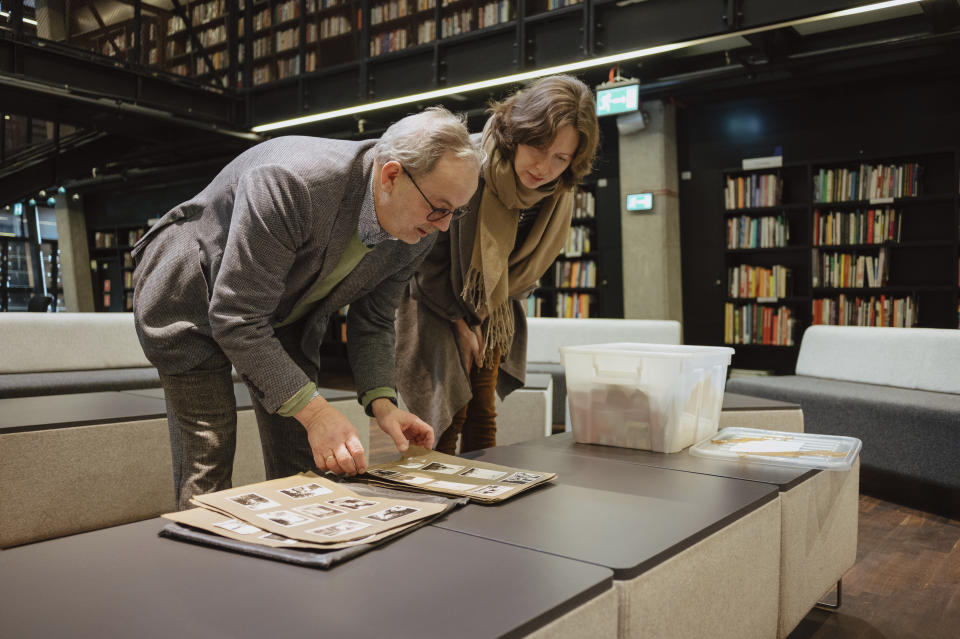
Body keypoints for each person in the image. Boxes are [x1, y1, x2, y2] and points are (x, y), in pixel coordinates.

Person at [133, 107, 482, 510]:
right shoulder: (293, 183)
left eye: (456, 212)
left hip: (284, 312)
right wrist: (317, 414)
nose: (443, 226)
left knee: (305, 465)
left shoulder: (418, 229)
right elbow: (237, 317)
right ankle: (202, 568)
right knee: (209, 456)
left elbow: (375, 319)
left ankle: (298, 561)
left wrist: (384, 406)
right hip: (188, 296)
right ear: (391, 176)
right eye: (440, 208)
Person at [396, 75, 600, 454]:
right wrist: (461, 325)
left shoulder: (558, 194)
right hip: (436, 300)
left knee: (482, 409)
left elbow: (526, 267)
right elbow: (425, 256)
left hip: (497, 308)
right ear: (518, 132)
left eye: (561, 157)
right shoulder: (467, 162)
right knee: (448, 412)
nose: (544, 167)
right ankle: (432, 497)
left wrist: (483, 319)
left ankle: (480, 497)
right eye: (538, 147)